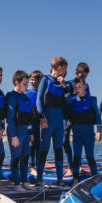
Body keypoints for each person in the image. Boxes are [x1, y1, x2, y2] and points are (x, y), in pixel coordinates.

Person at [36, 56, 70, 186]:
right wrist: (41, 117)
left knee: (58, 150)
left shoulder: (62, 83)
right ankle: (39, 178)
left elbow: (68, 101)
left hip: (59, 122)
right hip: (47, 121)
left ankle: (59, 179)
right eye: (65, 68)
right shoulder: (45, 80)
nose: (66, 71)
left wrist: (64, 87)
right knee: (44, 149)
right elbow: (39, 99)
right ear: (59, 68)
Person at [65, 77, 100, 181]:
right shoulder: (72, 101)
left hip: (88, 133)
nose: (77, 89)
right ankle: (75, 179)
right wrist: (66, 128)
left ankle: (94, 178)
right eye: (75, 88)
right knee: (76, 156)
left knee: (90, 156)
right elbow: (67, 106)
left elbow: (97, 115)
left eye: (79, 87)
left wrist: (99, 131)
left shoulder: (91, 100)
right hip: (77, 134)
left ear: (85, 87)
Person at [6, 70, 37, 191]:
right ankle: (17, 184)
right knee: (16, 157)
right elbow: (10, 118)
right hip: (15, 131)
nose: (27, 86)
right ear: (17, 83)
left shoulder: (25, 98)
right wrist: (13, 136)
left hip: (25, 131)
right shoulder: (12, 97)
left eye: (27, 83)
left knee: (25, 157)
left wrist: (30, 133)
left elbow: (28, 118)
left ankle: (24, 182)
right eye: (25, 84)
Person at [63, 62, 90, 169]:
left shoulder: (86, 86)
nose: (84, 78)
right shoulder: (69, 84)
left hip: (79, 119)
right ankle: (70, 167)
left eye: (86, 76)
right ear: (76, 73)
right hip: (67, 117)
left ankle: (77, 166)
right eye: (82, 76)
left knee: (78, 143)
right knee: (65, 142)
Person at [26, 70, 43, 171]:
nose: (32, 82)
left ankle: (38, 166)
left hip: (40, 122)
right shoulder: (27, 93)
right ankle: (31, 166)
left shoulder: (42, 93)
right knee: (31, 143)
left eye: (34, 80)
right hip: (30, 121)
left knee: (39, 144)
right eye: (31, 79)